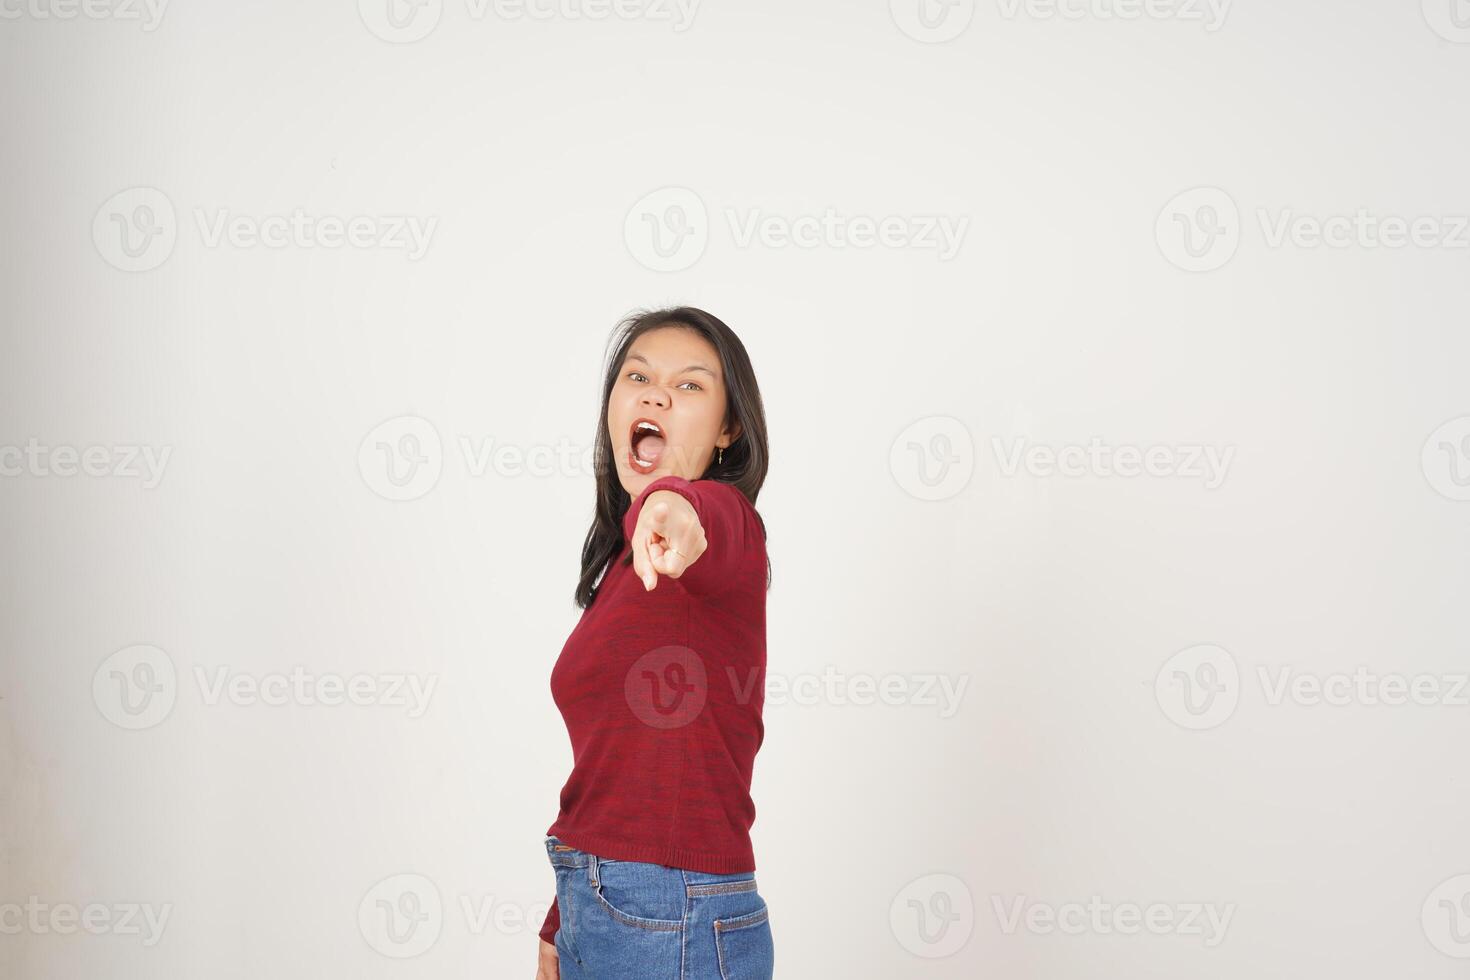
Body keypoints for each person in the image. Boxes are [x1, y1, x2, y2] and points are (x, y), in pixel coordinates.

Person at [535, 307, 774, 979]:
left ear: (729, 431)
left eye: (691, 385)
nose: (656, 393)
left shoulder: (728, 529)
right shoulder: (620, 570)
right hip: (604, 909)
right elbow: (610, 764)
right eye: (637, 375)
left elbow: (689, 510)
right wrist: (562, 920)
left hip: (673, 916)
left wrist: (672, 506)